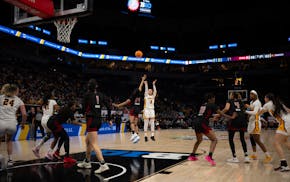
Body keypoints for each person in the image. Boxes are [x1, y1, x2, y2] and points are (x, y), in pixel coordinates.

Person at [77, 78, 113, 174]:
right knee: (87, 141)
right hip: (98, 120)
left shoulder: (87, 95)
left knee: (94, 143)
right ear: (96, 86)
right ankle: (87, 162)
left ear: (89, 87)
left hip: (91, 119)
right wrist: (109, 118)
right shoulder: (101, 95)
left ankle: (103, 164)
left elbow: (83, 109)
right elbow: (109, 106)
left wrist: (78, 110)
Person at [257, 93, 290, 171]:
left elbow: (258, 113)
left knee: (276, 143)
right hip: (288, 120)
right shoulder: (279, 103)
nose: (264, 99)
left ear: (267, 98)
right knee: (285, 142)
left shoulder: (268, 104)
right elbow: (288, 110)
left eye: (265, 98)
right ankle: (283, 164)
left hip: (284, 122)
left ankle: (284, 165)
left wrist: (252, 110)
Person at [188, 93, 220, 166]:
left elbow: (205, 117)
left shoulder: (203, 105)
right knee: (214, 140)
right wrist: (226, 115)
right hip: (202, 123)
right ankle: (210, 156)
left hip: (196, 122)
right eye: (213, 98)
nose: (214, 99)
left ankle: (192, 155)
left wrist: (213, 118)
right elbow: (221, 112)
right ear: (209, 99)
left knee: (199, 140)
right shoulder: (211, 105)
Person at [113, 74, 146, 144]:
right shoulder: (139, 94)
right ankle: (137, 136)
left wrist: (119, 105)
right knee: (136, 124)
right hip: (138, 109)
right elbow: (140, 87)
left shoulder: (133, 95)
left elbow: (127, 102)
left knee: (131, 122)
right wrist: (142, 80)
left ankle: (133, 134)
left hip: (133, 109)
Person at [0, 84, 27, 168]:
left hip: (1, 122)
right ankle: (10, 160)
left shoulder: (1, 97)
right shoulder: (19, 100)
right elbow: (24, 114)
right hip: (12, 123)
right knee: (9, 141)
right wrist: (22, 124)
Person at [219, 92, 250, 163]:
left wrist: (219, 113)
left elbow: (226, 109)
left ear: (232, 95)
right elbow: (247, 109)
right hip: (242, 120)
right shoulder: (241, 101)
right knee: (242, 138)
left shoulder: (229, 101)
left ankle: (234, 157)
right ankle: (246, 157)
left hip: (234, 120)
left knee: (231, 139)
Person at [244, 90, 272, 163]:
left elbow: (255, 112)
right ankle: (254, 154)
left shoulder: (258, 102)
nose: (250, 96)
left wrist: (245, 111)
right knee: (252, 138)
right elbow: (251, 111)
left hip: (255, 122)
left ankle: (268, 156)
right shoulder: (251, 102)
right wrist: (248, 115)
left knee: (258, 140)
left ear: (255, 95)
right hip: (251, 122)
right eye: (250, 94)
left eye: (251, 94)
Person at [32, 92, 59, 160]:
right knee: (56, 137)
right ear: (51, 96)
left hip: (43, 119)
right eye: (53, 95)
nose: (54, 96)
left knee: (48, 135)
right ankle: (49, 153)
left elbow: (37, 103)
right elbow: (57, 109)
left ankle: (37, 148)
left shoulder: (43, 102)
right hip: (49, 120)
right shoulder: (53, 101)